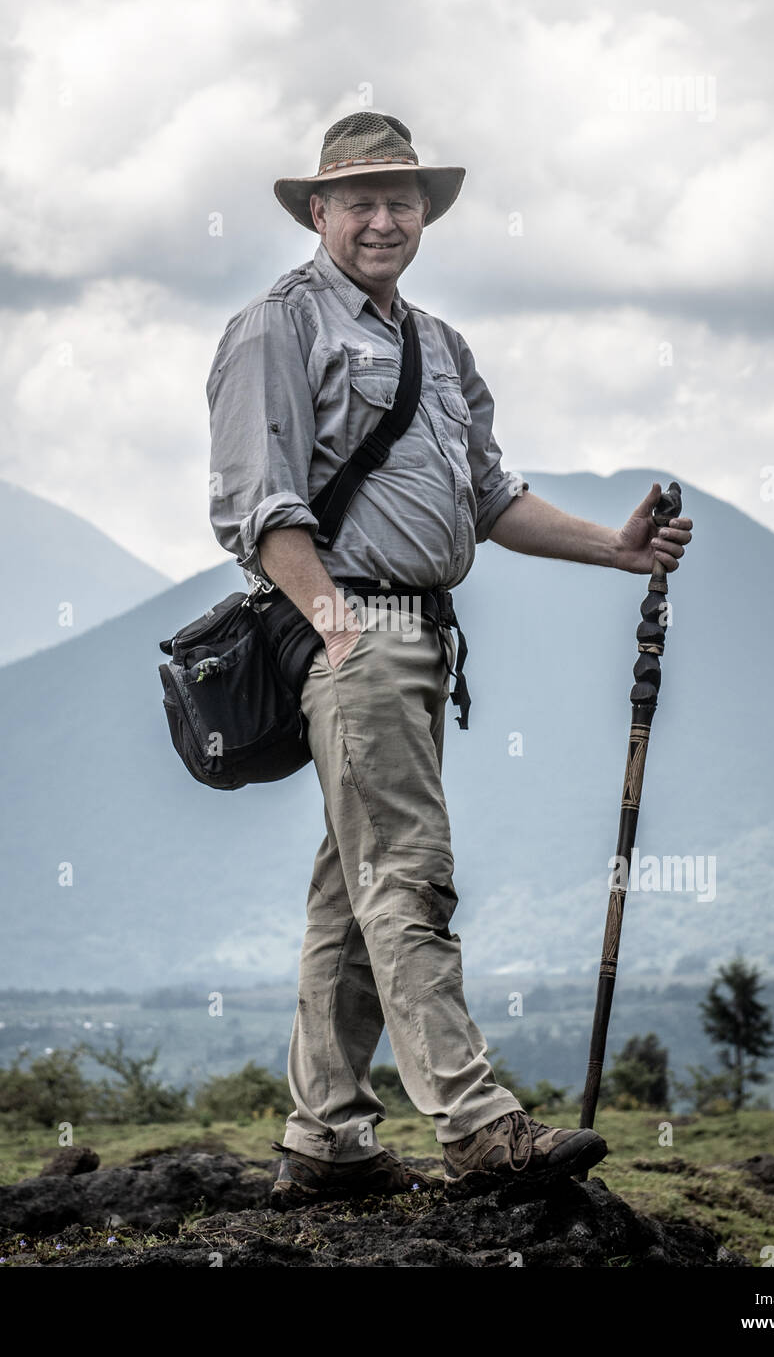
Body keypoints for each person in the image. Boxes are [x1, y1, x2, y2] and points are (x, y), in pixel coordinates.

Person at [207, 113, 693, 1206]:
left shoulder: (437, 342)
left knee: (353, 893)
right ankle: (475, 1125)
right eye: (360, 201)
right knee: (408, 876)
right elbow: (251, 497)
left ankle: (323, 1139)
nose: (383, 219)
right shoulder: (275, 327)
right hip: (358, 635)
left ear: (424, 212)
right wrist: (335, 620)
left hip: (421, 638)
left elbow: (488, 497)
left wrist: (614, 552)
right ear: (316, 212)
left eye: (402, 200)